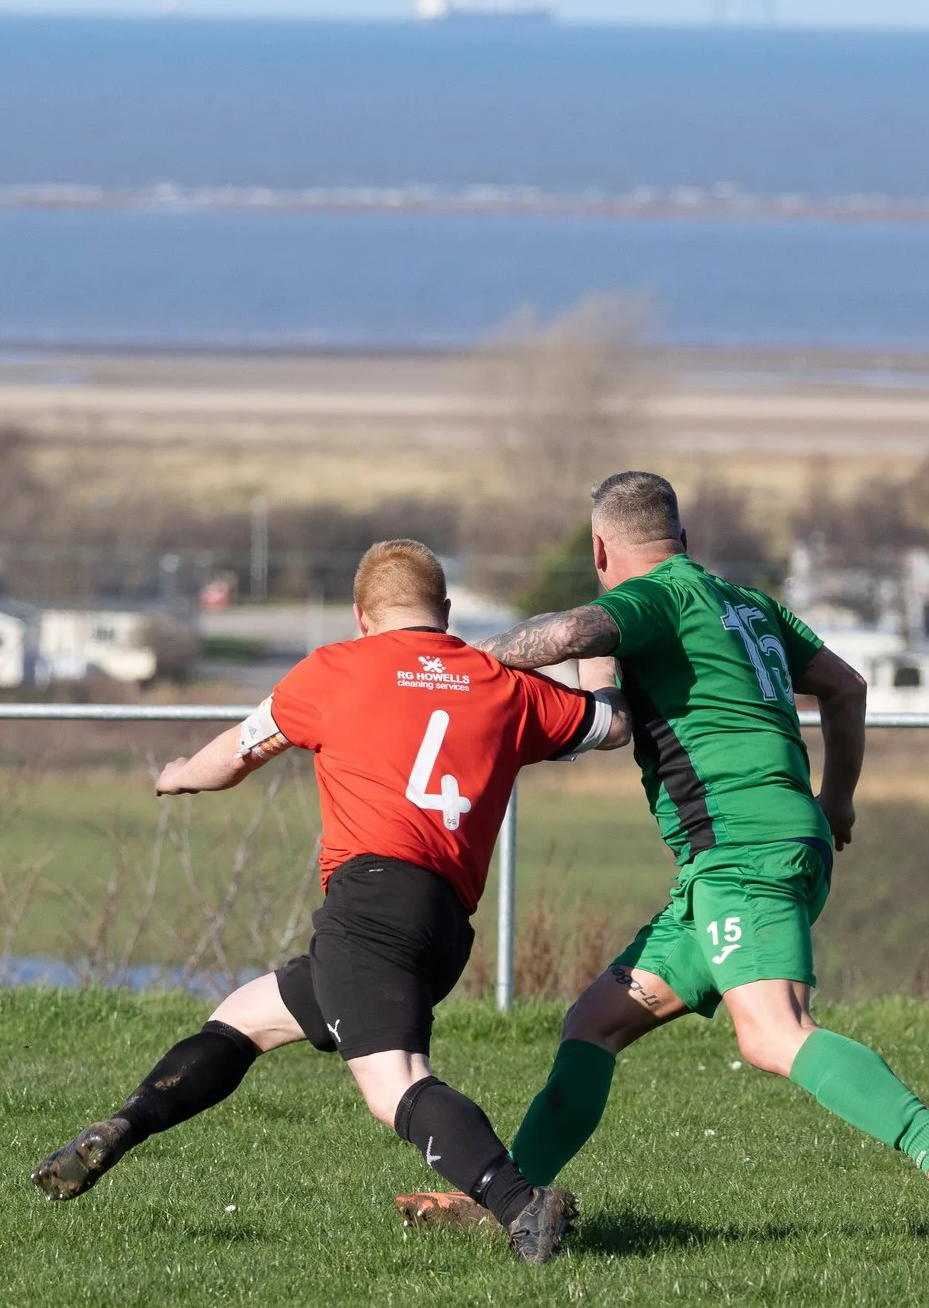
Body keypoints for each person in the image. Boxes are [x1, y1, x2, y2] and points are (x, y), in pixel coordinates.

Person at [400, 472, 929, 1258]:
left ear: (600, 549)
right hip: (753, 855)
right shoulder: (747, 605)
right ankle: (506, 1197)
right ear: (682, 539)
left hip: (741, 856)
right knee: (595, 1023)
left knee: (771, 1033)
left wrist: (475, 659)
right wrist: (838, 802)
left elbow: (576, 632)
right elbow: (846, 689)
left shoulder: (653, 598)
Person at [31, 539, 626, 1265]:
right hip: (440, 925)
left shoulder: (334, 671)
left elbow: (236, 755)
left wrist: (181, 774)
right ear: (443, 612)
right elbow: (610, 724)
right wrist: (604, 636)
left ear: (359, 615)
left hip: (370, 906)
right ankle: (124, 1125)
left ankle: (519, 1206)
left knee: (394, 1085)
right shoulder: (501, 684)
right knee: (245, 1020)